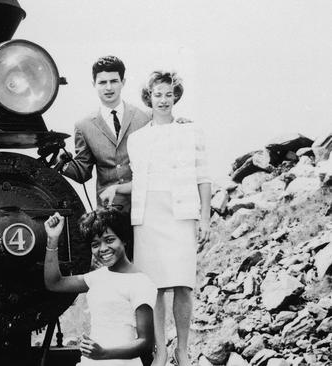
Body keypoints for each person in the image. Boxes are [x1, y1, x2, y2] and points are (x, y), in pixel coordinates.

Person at [104, 71, 211, 366]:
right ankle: (161, 349)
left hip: (181, 213)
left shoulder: (191, 132)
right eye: (157, 94)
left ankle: (184, 349)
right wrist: (116, 188)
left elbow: (203, 178)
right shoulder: (138, 139)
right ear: (148, 97)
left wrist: (204, 218)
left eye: (168, 94)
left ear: (175, 96)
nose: (163, 100)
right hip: (149, 215)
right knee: (157, 287)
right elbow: (139, 181)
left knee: (183, 284)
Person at [43, 208, 156, 366]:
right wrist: (52, 238)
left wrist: (103, 353)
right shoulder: (96, 277)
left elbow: (146, 342)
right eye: (95, 244)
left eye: (109, 240)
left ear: (124, 239)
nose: (102, 249)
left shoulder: (140, 282)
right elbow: (54, 283)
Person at [59, 56, 151, 213]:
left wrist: (179, 125)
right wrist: (59, 160)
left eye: (114, 81)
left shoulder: (145, 117)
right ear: (94, 84)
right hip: (109, 211)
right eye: (102, 82)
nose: (108, 87)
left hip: (145, 206)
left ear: (123, 82)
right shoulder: (83, 126)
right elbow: (82, 173)